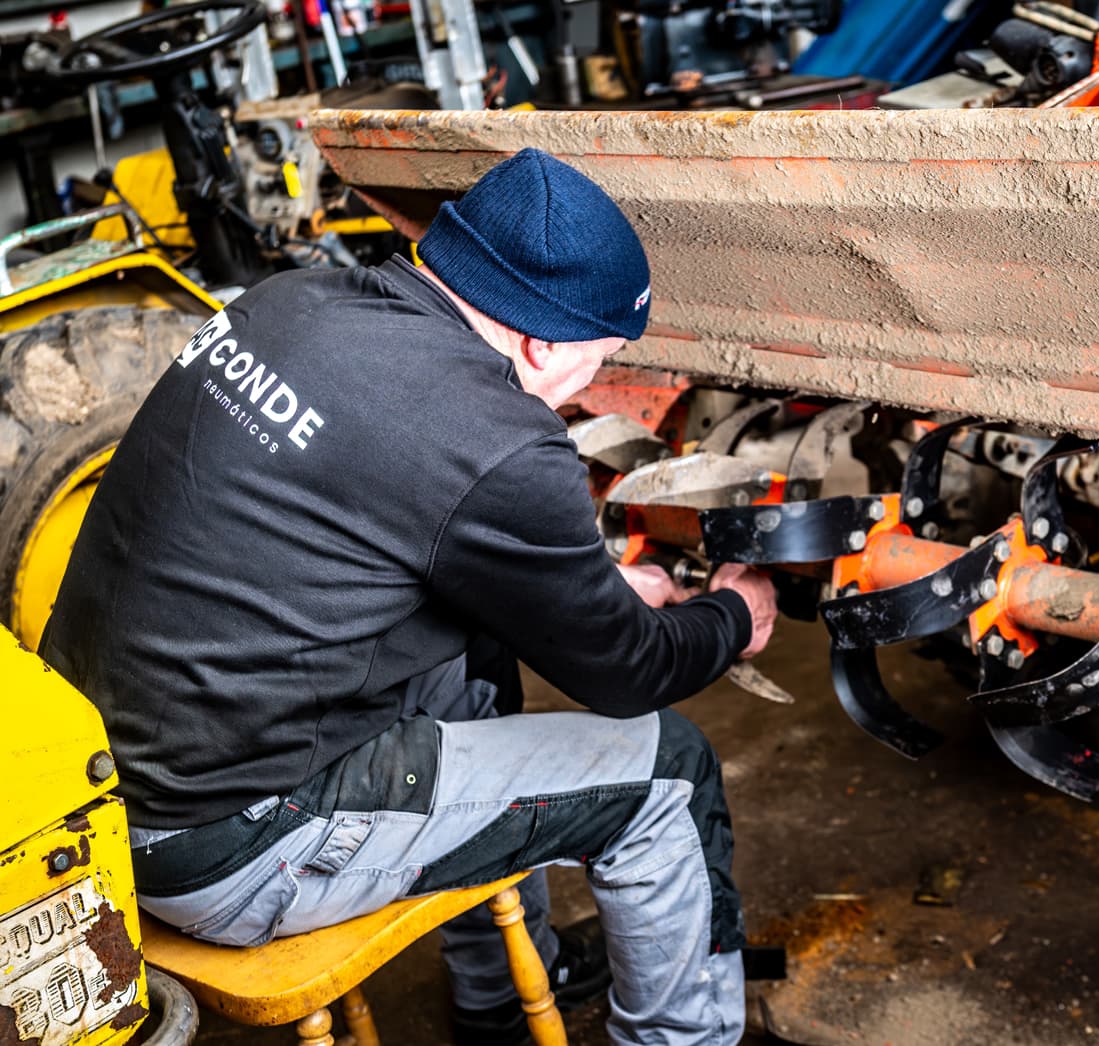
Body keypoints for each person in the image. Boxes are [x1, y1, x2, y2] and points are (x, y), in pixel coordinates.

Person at [41, 148, 778, 1044]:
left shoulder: (286, 302)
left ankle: (498, 999)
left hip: (93, 787)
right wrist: (735, 614)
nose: (592, 385)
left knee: (474, 667)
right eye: (601, 360)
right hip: (226, 842)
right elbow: (627, 676)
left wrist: (585, 586)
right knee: (669, 770)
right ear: (544, 343)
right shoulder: (497, 440)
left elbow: (363, 521)